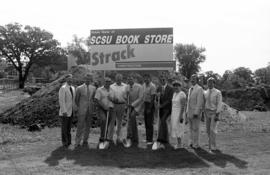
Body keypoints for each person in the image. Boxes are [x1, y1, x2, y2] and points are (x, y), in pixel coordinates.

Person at [74, 74, 96, 148]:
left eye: (89, 79)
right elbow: (76, 100)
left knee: (88, 125)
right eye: (87, 79)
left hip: (90, 109)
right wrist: (79, 107)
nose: (88, 80)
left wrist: (93, 108)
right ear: (84, 79)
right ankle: (77, 141)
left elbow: (93, 99)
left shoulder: (93, 88)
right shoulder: (79, 88)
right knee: (80, 125)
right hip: (82, 109)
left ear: (91, 80)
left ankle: (85, 140)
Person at [152, 75, 174, 150]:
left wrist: (161, 106)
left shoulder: (170, 89)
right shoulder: (158, 88)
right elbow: (156, 98)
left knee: (163, 121)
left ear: (166, 80)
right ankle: (165, 138)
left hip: (167, 109)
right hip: (160, 110)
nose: (162, 81)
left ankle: (161, 138)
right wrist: (156, 100)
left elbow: (169, 100)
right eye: (161, 80)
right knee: (162, 122)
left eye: (164, 79)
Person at [123, 74, 144, 148]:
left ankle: (133, 136)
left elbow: (141, 98)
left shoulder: (139, 87)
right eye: (128, 79)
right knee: (129, 120)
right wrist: (126, 94)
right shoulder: (127, 87)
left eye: (131, 79)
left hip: (137, 106)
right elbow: (125, 96)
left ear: (134, 79)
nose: (130, 80)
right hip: (129, 106)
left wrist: (132, 105)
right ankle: (130, 136)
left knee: (132, 117)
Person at [204, 77, 223, 152]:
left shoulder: (218, 92)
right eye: (208, 82)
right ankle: (209, 145)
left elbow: (219, 104)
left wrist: (217, 114)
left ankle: (213, 146)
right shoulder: (205, 92)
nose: (209, 84)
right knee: (208, 130)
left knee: (213, 129)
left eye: (211, 82)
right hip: (207, 112)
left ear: (214, 83)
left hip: (214, 112)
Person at [95, 77, 114, 149]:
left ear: (110, 82)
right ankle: (102, 137)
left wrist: (112, 99)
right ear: (104, 82)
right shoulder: (99, 89)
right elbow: (97, 100)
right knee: (103, 120)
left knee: (107, 123)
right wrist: (104, 106)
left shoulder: (112, 90)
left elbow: (115, 99)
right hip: (102, 109)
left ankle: (105, 138)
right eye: (106, 81)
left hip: (110, 109)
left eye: (109, 81)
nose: (108, 83)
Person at [108, 74, 127, 144]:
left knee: (120, 122)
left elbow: (127, 96)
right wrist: (113, 99)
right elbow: (109, 96)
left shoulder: (125, 86)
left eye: (120, 78)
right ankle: (110, 137)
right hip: (113, 105)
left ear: (122, 79)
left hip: (122, 105)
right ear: (115, 79)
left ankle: (119, 137)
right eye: (117, 78)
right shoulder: (111, 86)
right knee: (112, 122)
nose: (118, 79)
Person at [186, 74, 204, 149]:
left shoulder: (199, 89)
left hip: (195, 112)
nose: (192, 79)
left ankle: (196, 144)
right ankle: (191, 142)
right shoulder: (190, 89)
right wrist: (187, 111)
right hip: (189, 112)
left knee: (196, 129)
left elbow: (199, 102)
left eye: (194, 78)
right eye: (191, 78)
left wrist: (196, 112)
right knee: (190, 128)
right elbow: (188, 101)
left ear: (197, 80)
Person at [58, 74, 76, 148]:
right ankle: (64, 142)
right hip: (65, 112)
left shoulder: (73, 88)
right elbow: (61, 100)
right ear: (66, 80)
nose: (70, 80)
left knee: (69, 128)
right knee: (64, 128)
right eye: (68, 79)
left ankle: (69, 141)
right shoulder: (63, 88)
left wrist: (74, 109)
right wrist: (64, 111)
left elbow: (73, 100)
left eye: (71, 79)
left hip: (71, 111)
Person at [171, 80, 186, 149]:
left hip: (179, 113)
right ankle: (177, 143)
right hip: (174, 113)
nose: (176, 87)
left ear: (180, 86)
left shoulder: (182, 94)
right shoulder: (174, 94)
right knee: (175, 128)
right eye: (174, 86)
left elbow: (183, 106)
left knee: (179, 128)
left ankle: (180, 144)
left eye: (177, 86)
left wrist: (180, 116)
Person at [142, 74, 156, 145]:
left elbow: (153, 98)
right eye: (145, 78)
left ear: (149, 79)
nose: (146, 79)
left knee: (150, 123)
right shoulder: (143, 85)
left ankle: (150, 140)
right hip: (145, 104)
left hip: (150, 105)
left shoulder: (152, 86)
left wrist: (149, 108)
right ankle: (147, 138)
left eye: (147, 78)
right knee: (146, 122)